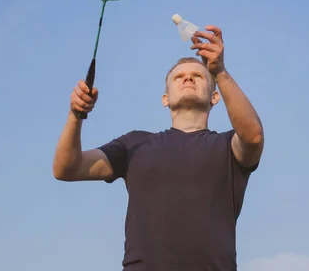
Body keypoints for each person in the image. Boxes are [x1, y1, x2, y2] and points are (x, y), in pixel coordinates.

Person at [52, 25, 264, 270]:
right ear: (165, 99)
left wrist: (220, 71)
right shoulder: (135, 144)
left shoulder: (229, 147)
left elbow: (253, 137)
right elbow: (66, 168)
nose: (187, 78)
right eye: (178, 77)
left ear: (214, 96)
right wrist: (75, 115)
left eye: (198, 76)